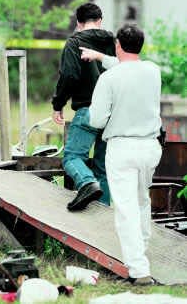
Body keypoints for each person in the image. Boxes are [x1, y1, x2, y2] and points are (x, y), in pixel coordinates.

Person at [81, 24, 162, 285]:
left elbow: (96, 119)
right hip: (150, 147)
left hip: (123, 147)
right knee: (141, 200)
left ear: (118, 45)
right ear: (141, 45)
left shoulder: (109, 79)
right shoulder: (153, 71)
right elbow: (127, 66)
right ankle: (142, 250)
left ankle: (139, 270)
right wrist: (102, 58)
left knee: (125, 209)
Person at [52, 2, 115, 211]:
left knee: (72, 157)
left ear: (78, 23)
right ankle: (102, 218)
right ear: (100, 21)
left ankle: (86, 182)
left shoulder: (74, 42)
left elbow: (69, 75)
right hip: (112, 114)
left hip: (88, 110)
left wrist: (58, 103)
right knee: (103, 168)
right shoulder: (114, 42)